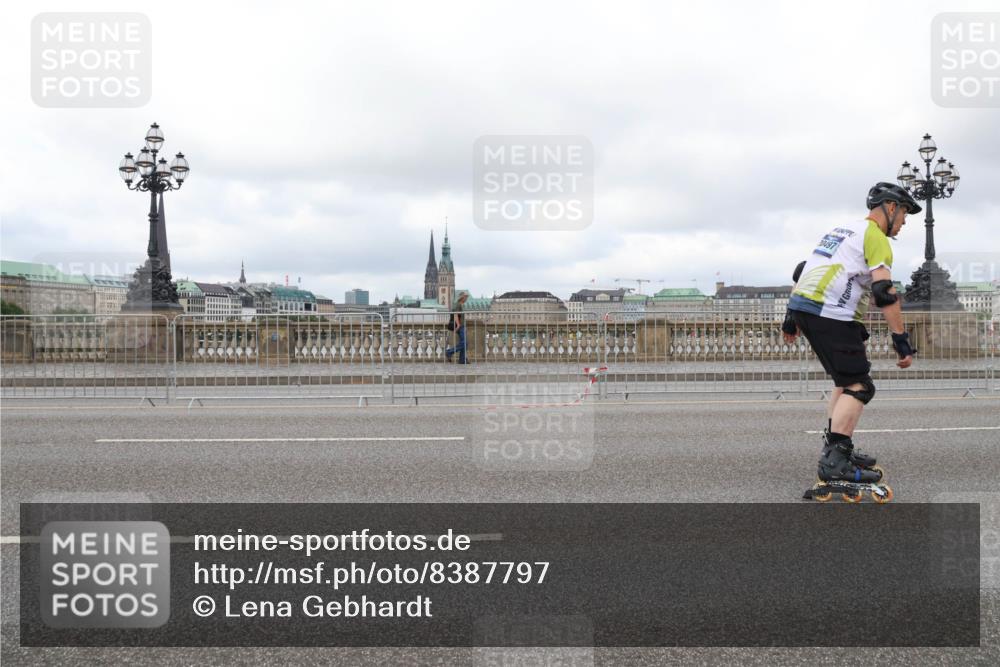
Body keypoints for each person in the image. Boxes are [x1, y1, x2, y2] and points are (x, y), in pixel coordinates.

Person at [782, 182, 918, 485]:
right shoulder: (876, 237)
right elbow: (884, 292)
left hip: (809, 307)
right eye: (905, 213)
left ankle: (838, 447)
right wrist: (901, 340)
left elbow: (804, 268)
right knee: (860, 386)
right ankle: (835, 461)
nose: (905, 222)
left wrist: (791, 316)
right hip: (830, 312)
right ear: (891, 207)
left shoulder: (843, 230)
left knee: (845, 383)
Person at [446, 291, 470, 364]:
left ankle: (462, 360)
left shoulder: (461, 304)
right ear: (462, 297)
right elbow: (455, 314)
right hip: (460, 326)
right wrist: (458, 324)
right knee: (464, 343)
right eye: (466, 297)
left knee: (464, 343)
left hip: (462, 325)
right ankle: (449, 352)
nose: (466, 298)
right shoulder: (457, 304)